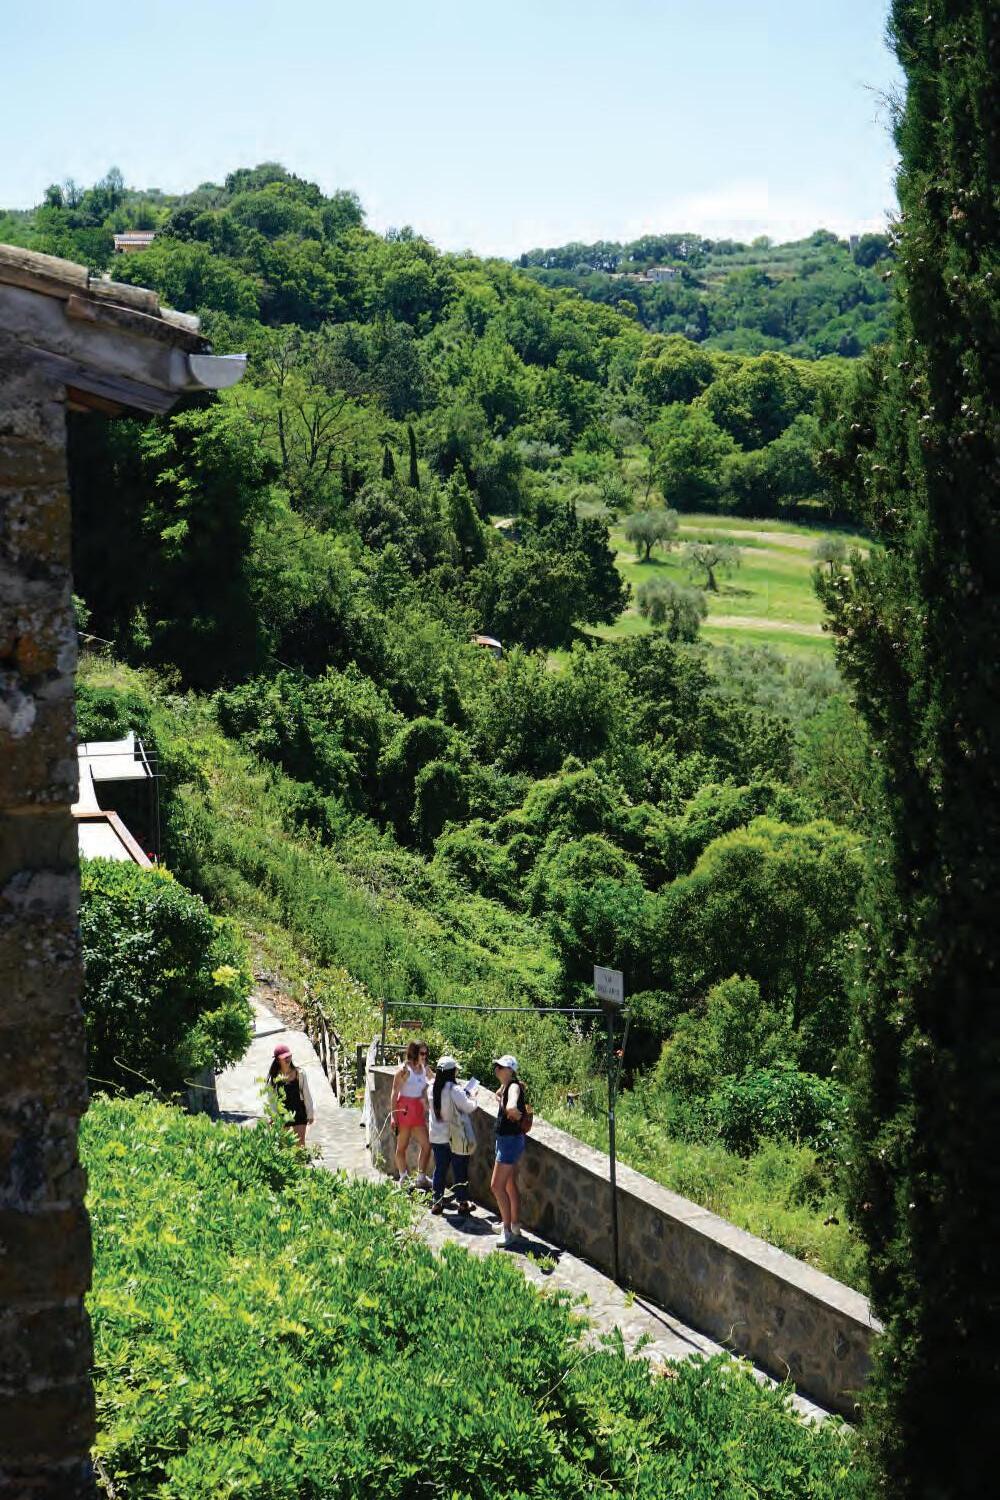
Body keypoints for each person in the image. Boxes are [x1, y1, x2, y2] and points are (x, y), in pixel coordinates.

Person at [427, 1055, 477, 1215]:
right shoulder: (453, 1089)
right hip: (453, 1136)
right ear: (451, 1072)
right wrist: (473, 1096)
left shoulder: (431, 1087)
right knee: (459, 1169)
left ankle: (437, 1202)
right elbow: (469, 1107)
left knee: (440, 1169)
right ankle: (462, 1203)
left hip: (436, 1136)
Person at [491, 1053, 528, 1246]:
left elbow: (512, 1102)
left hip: (508, 1142)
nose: (496, 1069)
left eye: (501, 1067)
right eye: (496, 1066)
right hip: (509, 1140)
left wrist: (512, 1108)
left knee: (496, 1186)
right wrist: (500, 1098)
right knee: (509, 1185)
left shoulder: (513, 1087)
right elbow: (501, 1095)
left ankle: (506, 1231)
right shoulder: (506, 1086)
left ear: (510, 1071)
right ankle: (514, 1225)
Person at [390, 1040, 433, 1189]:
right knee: (402, 1146)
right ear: (414, 1053)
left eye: (426, 1053)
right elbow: (394, 1093)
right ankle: (403, 1178)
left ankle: (421, 1177)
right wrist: (393, 1116)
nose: (424, 1056)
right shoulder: (404, 1071)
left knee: (427, 1145)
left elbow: (434, 1080)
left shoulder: (425, 1068)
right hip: (405, 1110)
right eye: (422, 1053)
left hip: (417, 1111)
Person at [267, 1043, 314, 1146]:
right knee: (286, 1145)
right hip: (283, 1115)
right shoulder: (273, 1079)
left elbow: (306, 1093)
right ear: (278, 1060)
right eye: (285, 1057)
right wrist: (273, 1117)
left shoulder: (300, 1073)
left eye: (289, 1056)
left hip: (299, 1112)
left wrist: (310, 1113)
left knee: (301, 1144)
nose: (288, 1059)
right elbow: (271, 1100)